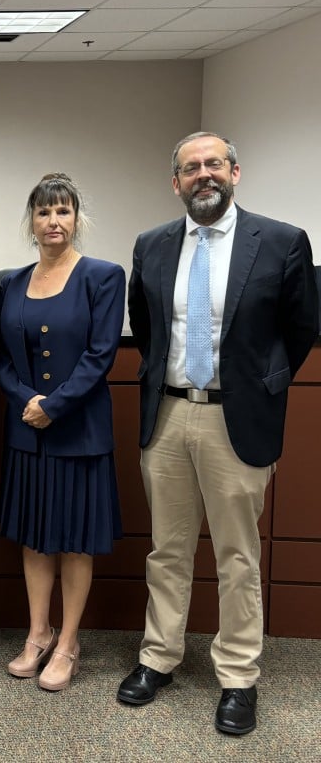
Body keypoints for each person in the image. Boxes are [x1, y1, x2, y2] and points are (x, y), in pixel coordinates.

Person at [119, 132, 319, 734]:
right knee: (167, 549)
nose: (202, 175)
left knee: (238, 555)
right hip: (171, 412)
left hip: (240, 417)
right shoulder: (152, 245)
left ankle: (238, 675)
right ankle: (159, 657)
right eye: (190, 168)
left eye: (213, 165)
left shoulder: (282, 241)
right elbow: (147, 326)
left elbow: (303, 326)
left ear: (235, 172)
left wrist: (267, 383)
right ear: (175, 182)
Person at [0, 173, 124, 692]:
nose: (53, 222)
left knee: (74, 541)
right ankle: (37, 633)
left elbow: (101, 354)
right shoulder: (11, 282)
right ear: (31, 221)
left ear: (76, 219)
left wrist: (56, 406)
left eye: (63, 211)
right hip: (28, 431)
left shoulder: (102, 276)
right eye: (44, 213)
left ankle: (68, 642)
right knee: (35, 539)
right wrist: (30, 403)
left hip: (79, 432)